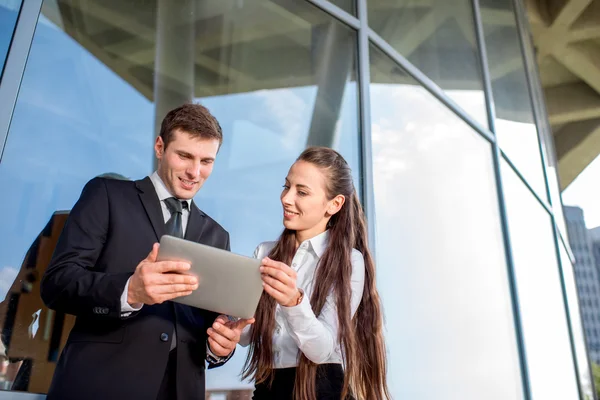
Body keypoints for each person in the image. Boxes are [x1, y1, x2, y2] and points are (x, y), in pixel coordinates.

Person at [40, 103, 253, 400]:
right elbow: (57, 283)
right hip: (102, 385)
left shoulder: (218, 235)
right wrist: (130, 291)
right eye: (184, 156)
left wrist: (220, 347)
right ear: (159, 147)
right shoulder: (107, 195)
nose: (195, 172)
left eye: (207, 161)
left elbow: (208, 328)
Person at [240, 147, 390, 400]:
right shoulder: (264, 252)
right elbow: (246, 333)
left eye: (302, 192)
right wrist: (230, 328)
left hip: (322, 390)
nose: (286, 198)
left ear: (334, 204)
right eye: (286, 186)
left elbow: (321, 349)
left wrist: (293, 302)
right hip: (267, 389)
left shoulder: (349, 263)